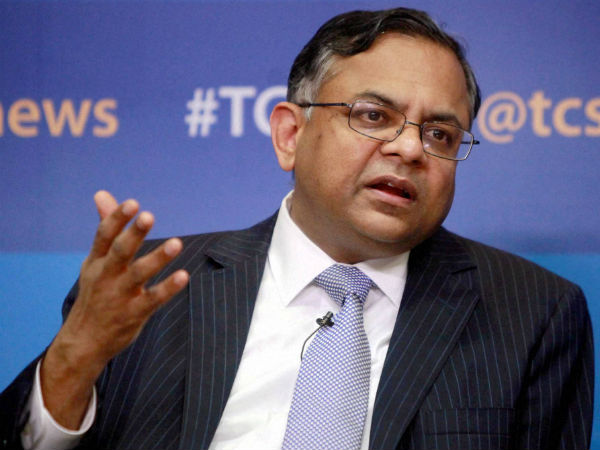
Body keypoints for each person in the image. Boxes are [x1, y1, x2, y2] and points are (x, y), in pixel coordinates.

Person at [0, 7, 593, 450]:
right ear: (290, 135)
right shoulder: (149, 289)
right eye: (374, 116)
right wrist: (71, 364)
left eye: (440, 134)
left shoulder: (534, 313)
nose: (411, 149)